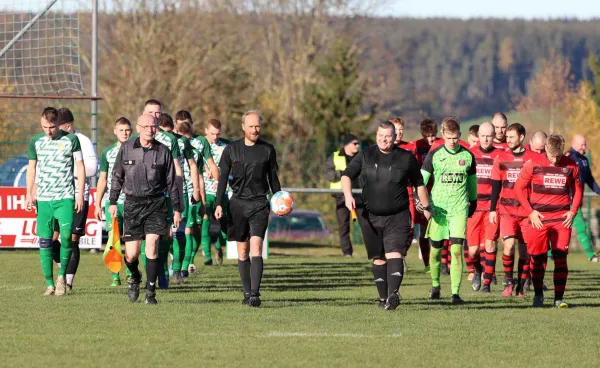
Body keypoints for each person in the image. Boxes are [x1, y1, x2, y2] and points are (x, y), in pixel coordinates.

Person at [342, 121, 431, 310]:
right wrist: (348, 195)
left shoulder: (406, 158)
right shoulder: (365, 155)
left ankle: (393, 295)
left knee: (395, 254)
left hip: (398, 215)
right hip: (370, 216)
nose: (384, 139)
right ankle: (383, 298)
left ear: (395, 137)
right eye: (380, 135)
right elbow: (346, 175)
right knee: (379, 258)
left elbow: (419, 184)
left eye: (388, 136)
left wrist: (427, 207)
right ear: (376, 136)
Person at [109, 113, 182, 305]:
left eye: (153, 126)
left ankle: (150, 293)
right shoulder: (126, 149)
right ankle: (135, 276)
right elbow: (116, 176)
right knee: (131, 254)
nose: (150, 129)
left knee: (152, 244)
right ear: (139, 128)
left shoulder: (163, 151)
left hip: (156, 204)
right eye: (146, 126)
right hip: (132, 204)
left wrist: (177, 208)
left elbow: (172, 182)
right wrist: (113, 201)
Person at [215, 110, 281, 307]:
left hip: (260, 203)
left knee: (256, 249)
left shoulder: (268, 150)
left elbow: (273, 179)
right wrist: (219, 203)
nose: (255, 130)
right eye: (251, 126)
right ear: (243, 127)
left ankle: (254, 294)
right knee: (242, 252)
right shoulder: (231, 150)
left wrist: (278, 200)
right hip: (237, 204)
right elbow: (222, 180)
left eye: (257, 126)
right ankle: (246, 293)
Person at [514, 134, 582, 308]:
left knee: (560, 258)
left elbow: (578, 189)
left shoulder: (571, 165)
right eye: (552, 156)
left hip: (561, 219)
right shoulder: (533, 163)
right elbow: (518, 188)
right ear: (546, 150)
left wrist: (573, 211)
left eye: (559, 156)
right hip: (539, 219)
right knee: (537, 258)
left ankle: (559, 298)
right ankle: (538, 294)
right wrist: (530, 212)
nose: (555, 159)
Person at [25, 107, 85, 296]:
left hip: (65, 197)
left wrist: (80, 193)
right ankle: (50, 284)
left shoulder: (71, 140)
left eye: (51, 127)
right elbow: (31, 168)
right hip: (44, 199)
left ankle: (62, 278)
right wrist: (28, 194)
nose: (48, 131)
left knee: (66, 237)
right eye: (44, 127)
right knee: (45, 241)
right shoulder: (36, 141)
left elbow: (80, 166)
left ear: (57, 123)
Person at [421, 117, 477, 304]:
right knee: (436, 252)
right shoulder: (434, 155)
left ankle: (455, 293)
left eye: (455, 138)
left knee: (456, 251)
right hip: (438, 210)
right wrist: (422, 203)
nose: (452, 142)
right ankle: (436, 285)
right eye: (449, 138)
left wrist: (473, 201)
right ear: (443, 135)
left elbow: (472, 182)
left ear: (460, 135)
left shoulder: (467, 156)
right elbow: (421, 181)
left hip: (459, 209)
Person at [47, 108, 98, 291]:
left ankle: (67, 282)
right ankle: (64, 269)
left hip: (77, 195)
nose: (53, 131)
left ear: (68, 125)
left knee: (71, 239)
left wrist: (68, 170)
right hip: (56, 195)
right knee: (50, 240)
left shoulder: (82, 141)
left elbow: (92, 168)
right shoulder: (53, 141)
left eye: (57, 127)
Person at [489, 123, 538, 296]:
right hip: (507, 211)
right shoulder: (501, 158)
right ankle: (508, 282)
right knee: (508, 246)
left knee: (525, 251)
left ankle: (521, 286)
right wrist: (492, 209)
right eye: (507, 137)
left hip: (526, 213)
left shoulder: (533, 158)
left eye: (511, 137)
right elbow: (495, 184)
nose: (507, 140)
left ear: (521, 137)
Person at [158, 113, 201, 284]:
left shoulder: (181, 142)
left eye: (168, 131)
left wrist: (196, 189)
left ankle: (177, 269)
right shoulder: (153, 141)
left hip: (178, 192)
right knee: (161, 235)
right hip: (158, 194)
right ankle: (161, 270)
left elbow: (192, 165)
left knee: (178, 234)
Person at [174, 110, 220, 267]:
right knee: (181, 230)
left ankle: (188, 260)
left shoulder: (200, 142)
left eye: (188, 124)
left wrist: (217, 182)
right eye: (182, 125)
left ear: (192, 125)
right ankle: (180, 265)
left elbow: (211, 164)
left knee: (196, 227)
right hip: (177, 191)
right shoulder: (170, 141)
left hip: (198, 190)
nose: (185, 128)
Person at [94, 117, 133, 286]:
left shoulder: (137, 150)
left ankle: (132, 273)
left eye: (127, 130)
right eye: (121, 130)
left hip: (133, 203)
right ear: (115, 131)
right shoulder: (107, 153)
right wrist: (97, 203)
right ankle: (115, 275)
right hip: (113, 204)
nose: (125, 133)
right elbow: (102, 179)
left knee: (133, 240)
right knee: (113, 239)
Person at [465, 122, 501, 291]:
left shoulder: (500, 156)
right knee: (473, 251)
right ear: (478, 136)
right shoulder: (469, 154)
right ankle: (478, 271)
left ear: (493, 136)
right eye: (483, 136)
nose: (486, 139)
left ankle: (487, 283)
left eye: (489, 136)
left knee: (490, 245)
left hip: (492, 208)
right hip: (473, 208)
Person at [324, 133, 363, 257]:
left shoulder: (362, 157)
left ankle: (374, 252)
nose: (358, 146)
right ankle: (347, 253)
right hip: (342, 197)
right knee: (343, 226)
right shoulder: (335, 157)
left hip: (361, 195)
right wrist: (345, 173)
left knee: (367, 224)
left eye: (358, 143)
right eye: (355, 143)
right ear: (347, 144)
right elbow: (329, 175)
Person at [565, 135, 600, 262]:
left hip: (576, 202)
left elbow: (590, 179)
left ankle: (591, 256)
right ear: (573, 143)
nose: (584, 147)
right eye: (582, 145)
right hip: (565, 201)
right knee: (564, 229)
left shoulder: (584, 160)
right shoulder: (567, 158)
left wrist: (598, 191)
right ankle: (550, 253)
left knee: (580, 227)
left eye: (585, 144)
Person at [200, 118, 230, 266]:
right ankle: (207, 257)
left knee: (224, 225)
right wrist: (204, 168)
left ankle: (218, 245)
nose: (215, 137)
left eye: (218, 134)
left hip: (222, 190)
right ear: (206, 131)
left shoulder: (227, 145)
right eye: (212, 134)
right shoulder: (198, 143)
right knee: (205, 220)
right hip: (205, 189)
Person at [411, 118, 438, 273]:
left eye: (433, 134)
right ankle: (427, 264)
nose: (431, 138)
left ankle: (444, 263)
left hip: (439, 190)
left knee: (441, 227)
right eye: (428, 135)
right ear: (423, 134)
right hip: (422, 190)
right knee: (423, 228)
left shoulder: (441, 143)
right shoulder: (417, 146)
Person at [390, 117, 418, 272]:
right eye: (396, 130)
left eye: (401, 130)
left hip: (407, 191)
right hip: (391, 193)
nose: (399, 133)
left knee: (410, 226)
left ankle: (402, 254)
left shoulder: (410, 147)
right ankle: (394, 256)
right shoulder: (384, 148)